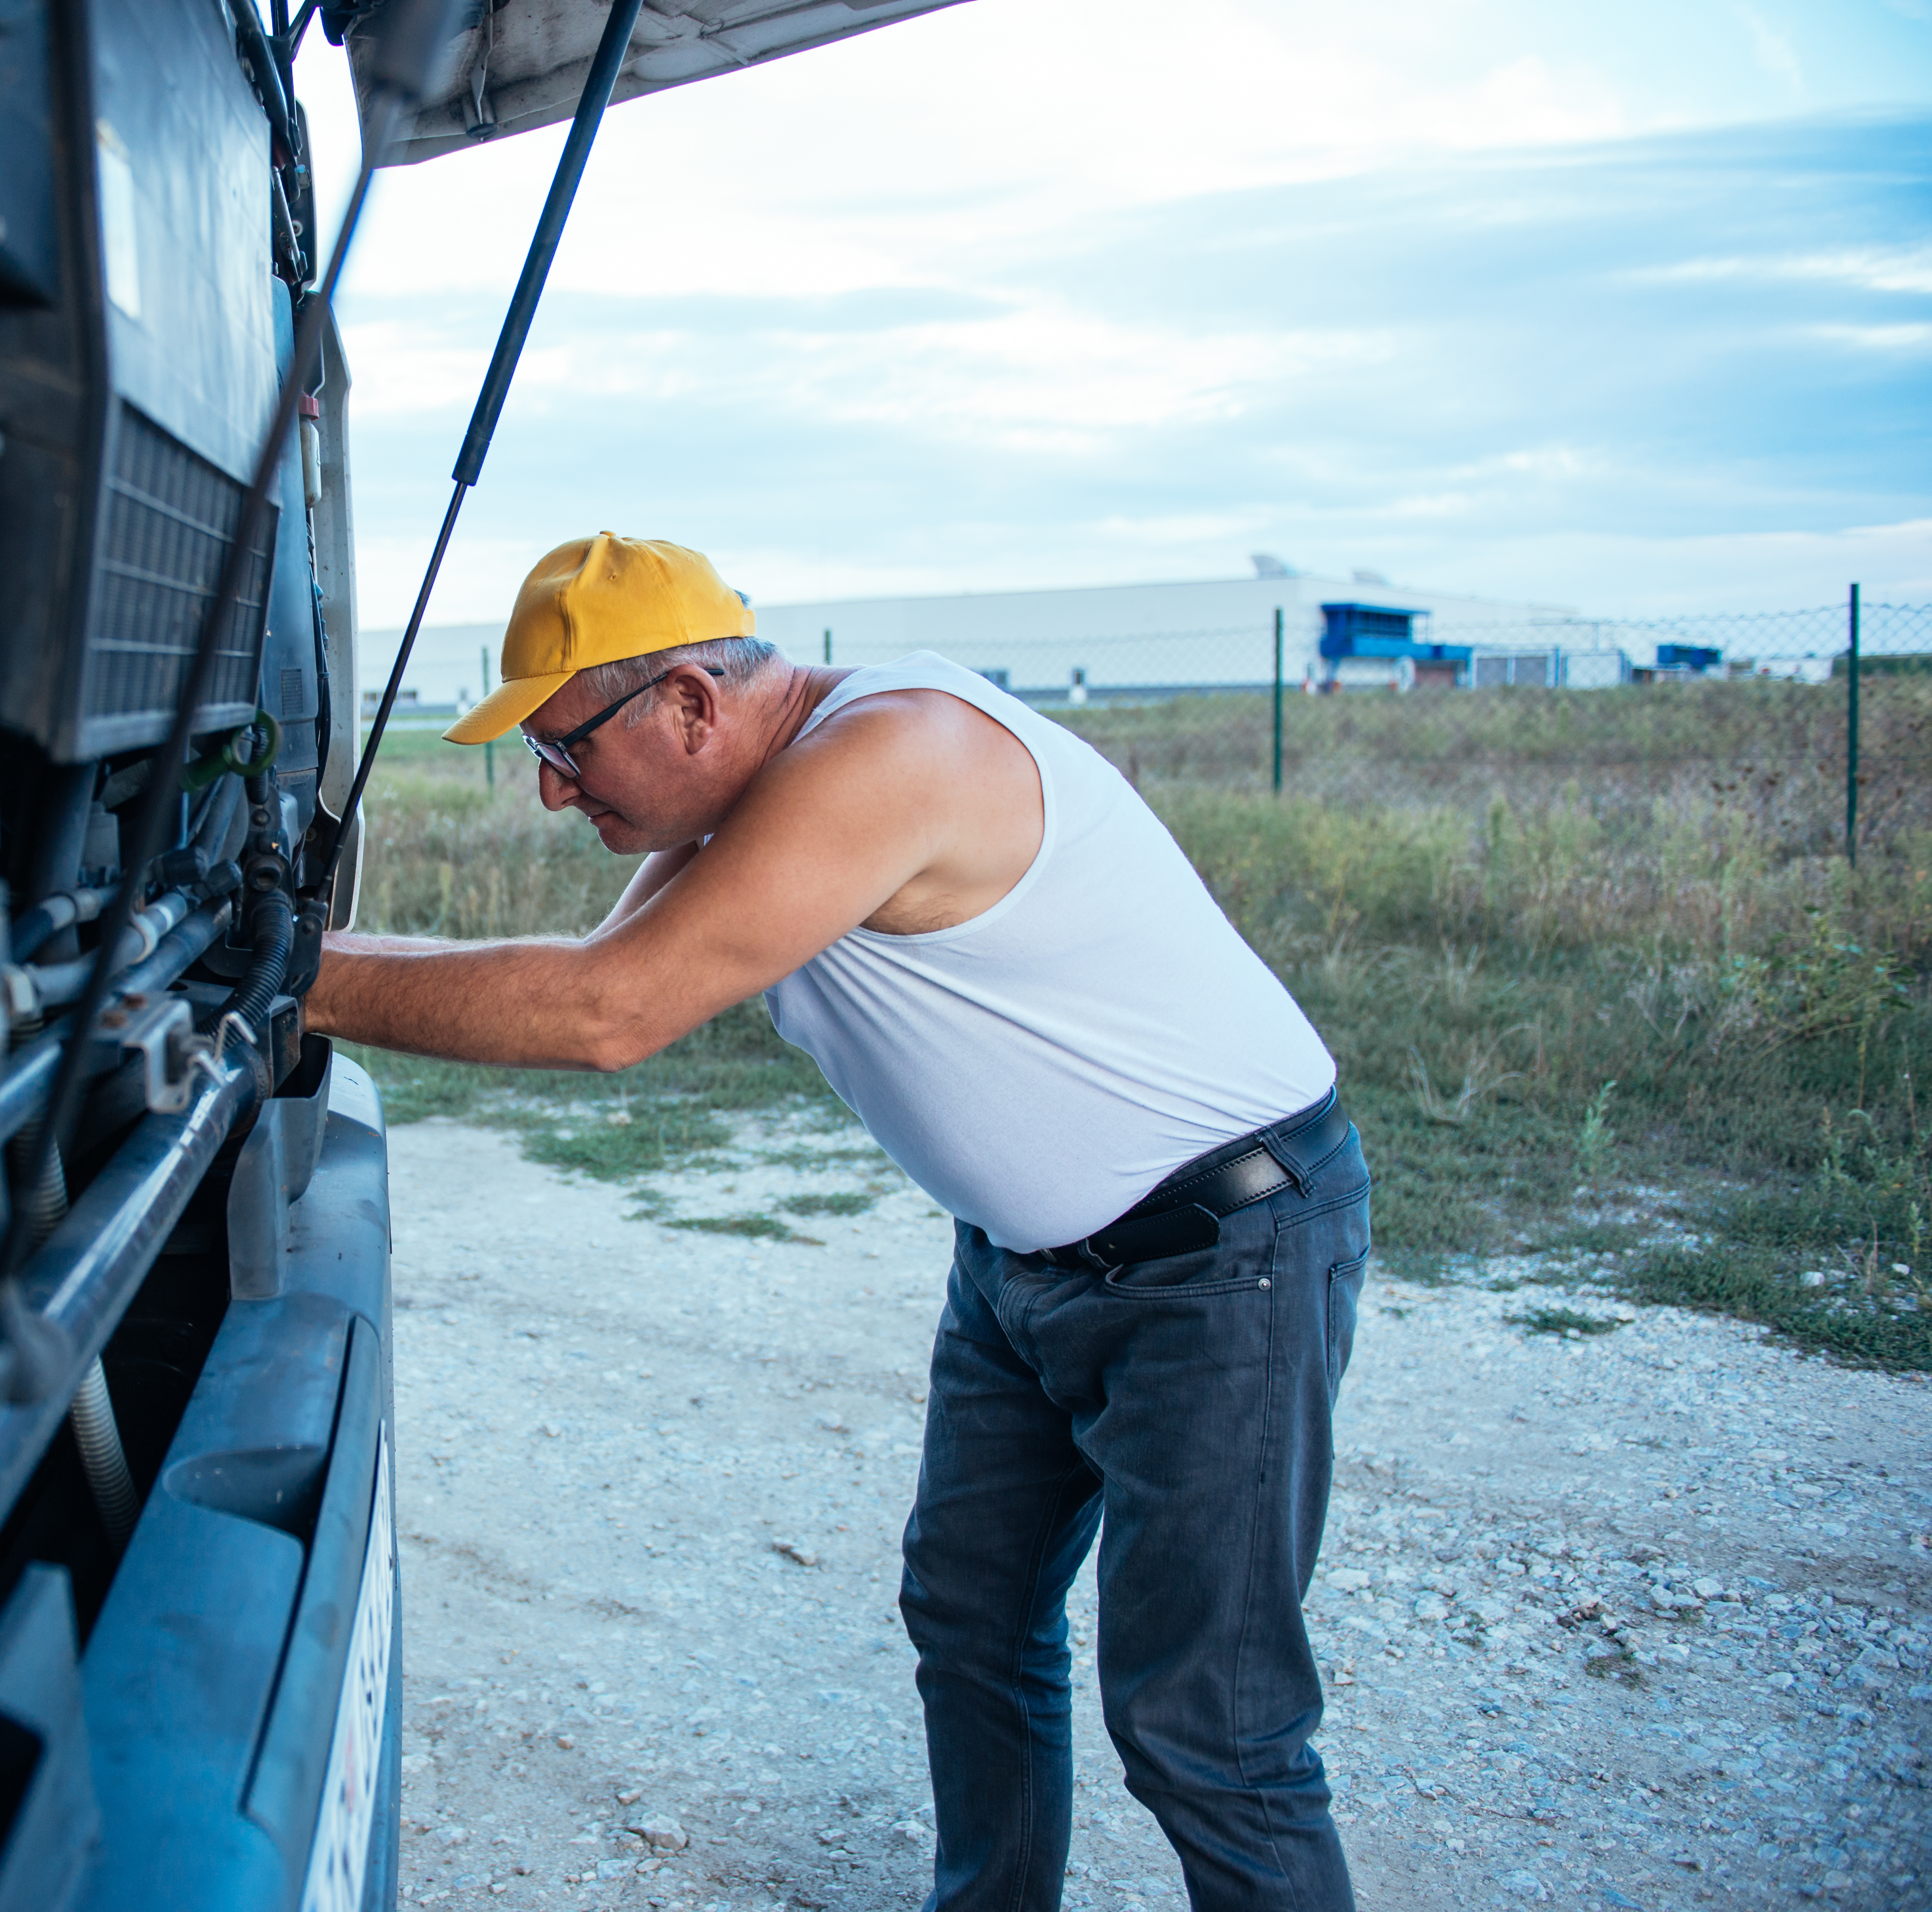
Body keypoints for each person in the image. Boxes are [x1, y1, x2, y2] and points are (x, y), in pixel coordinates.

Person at [307, 532, 1370, 1912]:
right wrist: (299, 955)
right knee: (972, 1624)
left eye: (567, 748)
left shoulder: (894, 754)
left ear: (691, 700)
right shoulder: (750, 792)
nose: (553, 793)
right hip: (1021, 1266)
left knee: (1209, 1730)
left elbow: (606, 1018)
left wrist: (292, 985)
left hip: (1220, 1257)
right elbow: (590, 969)